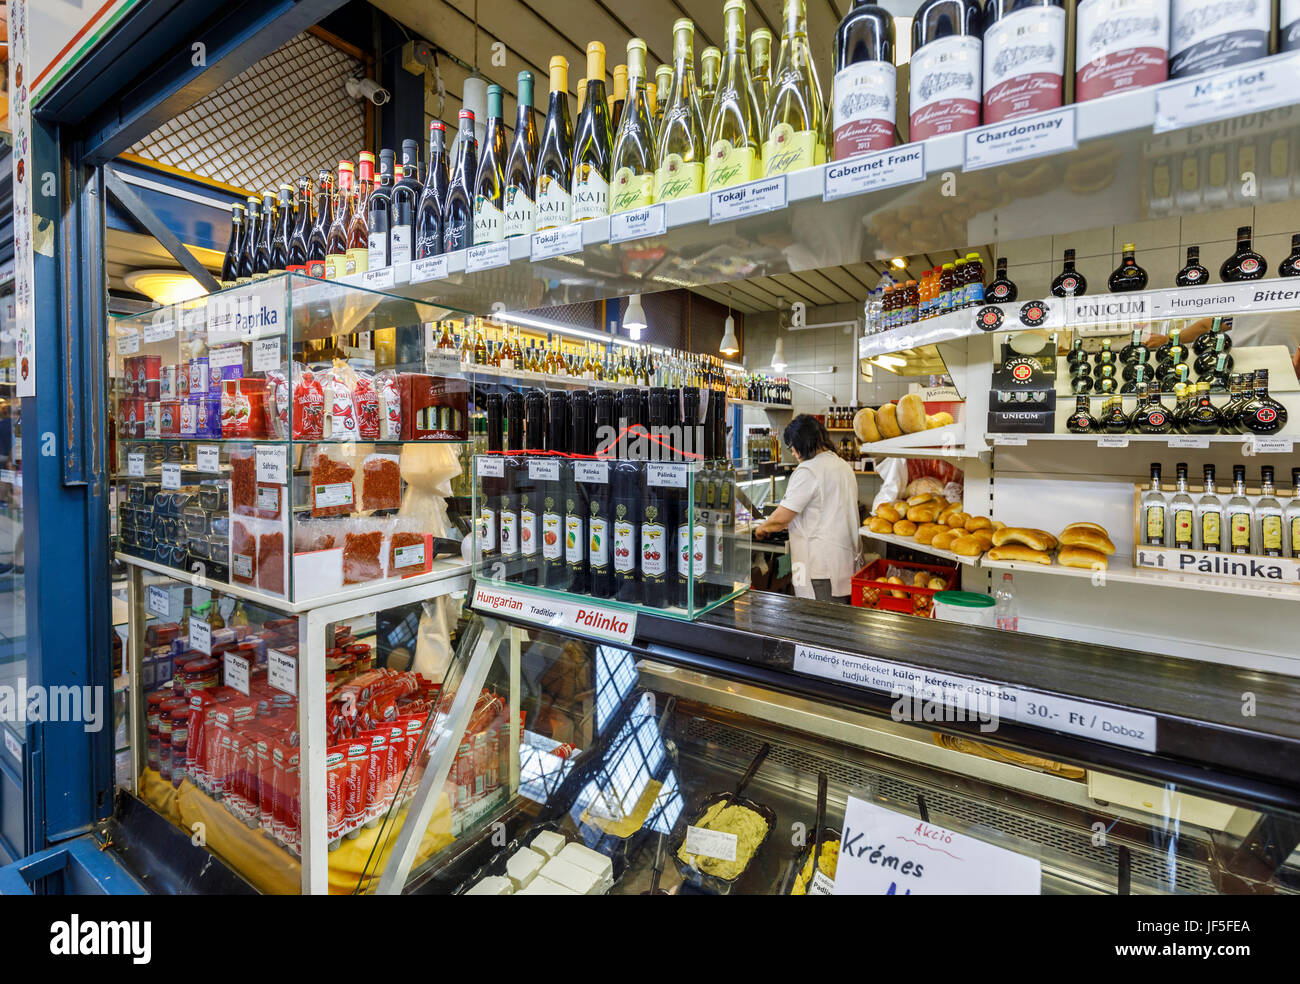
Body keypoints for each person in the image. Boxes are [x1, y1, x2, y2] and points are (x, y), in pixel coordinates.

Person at [755, 414, 863, 603]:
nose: (795, 454)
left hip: (819, 570)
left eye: (793, 447)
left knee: (819, 624)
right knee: (840, 622)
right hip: (845, 565)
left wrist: (762, 528)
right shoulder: (842, 465)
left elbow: (782, 517)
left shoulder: (808, 470)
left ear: (802, 444)